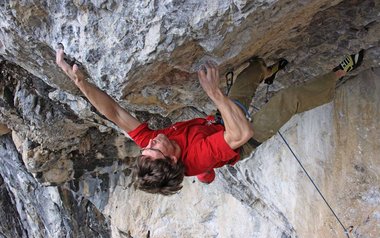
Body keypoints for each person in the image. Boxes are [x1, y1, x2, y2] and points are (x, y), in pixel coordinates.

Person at [56, 44, 364, 195]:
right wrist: (216, 94)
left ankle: (265, 72)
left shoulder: (155, 147)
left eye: (146, 147)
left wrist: (81, 83)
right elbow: (241, 132)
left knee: (253, 69)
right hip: (241, 137)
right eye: (155, 147)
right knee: (288, 99)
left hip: (217, 124)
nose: (150, 141)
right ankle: (337, 74)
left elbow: (115, 113)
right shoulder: (200, 156)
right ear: (174, 160)